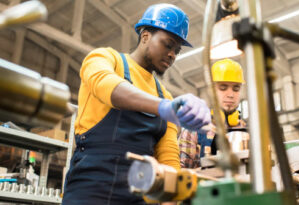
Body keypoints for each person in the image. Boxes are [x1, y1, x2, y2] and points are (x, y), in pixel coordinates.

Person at [62, 4, 211, 205]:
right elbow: (107, 85)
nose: (172, 55)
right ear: (145, 36)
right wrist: (163, 108)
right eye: (168, 45)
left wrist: (172, 198)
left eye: (176, 50)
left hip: (140, 193)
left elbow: (168, 157)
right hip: (91, 188)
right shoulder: (106, 59)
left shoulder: (165, 95)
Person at [178, 59, 247, 168]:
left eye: (236, 88)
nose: (230, 94)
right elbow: (183, 173)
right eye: (223, 88)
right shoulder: (193, 130)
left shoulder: (246, 130)